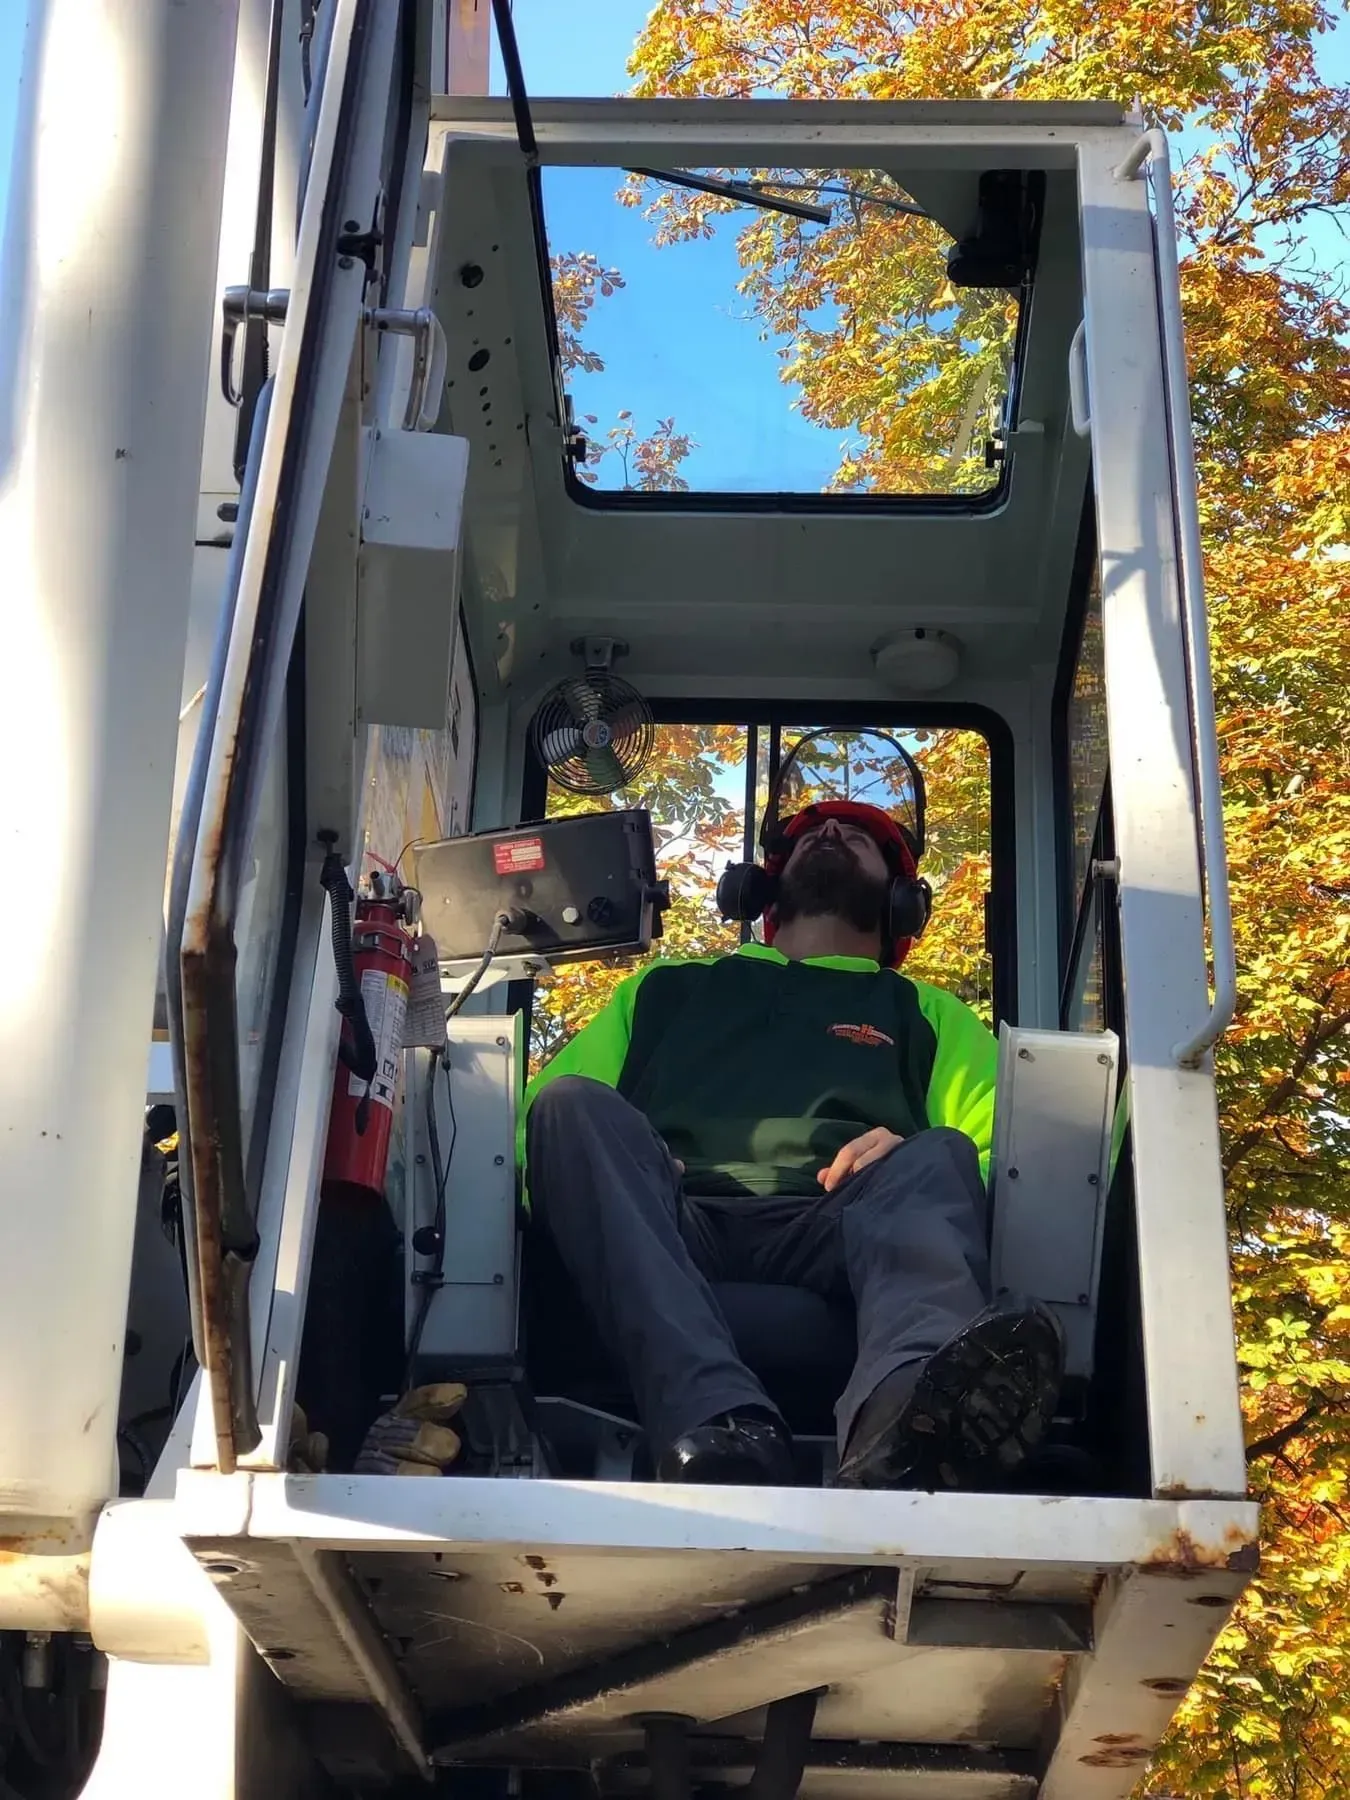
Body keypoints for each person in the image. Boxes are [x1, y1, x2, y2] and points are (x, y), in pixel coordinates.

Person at [523, 797, 1064, 1490]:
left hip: (841, 1225)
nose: (833, 832)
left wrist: (910, 1149)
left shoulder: (927, 1014)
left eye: (860, 836)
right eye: (812, 833)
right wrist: (637, 1168)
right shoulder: (662, 993)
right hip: (672, 1220)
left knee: (944, 1151)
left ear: (903, 902)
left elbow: (1014, 1154)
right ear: (761, 886)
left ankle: (909, 1425)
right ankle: (717, 1425)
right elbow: (534, 1133)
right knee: (569, 1106)